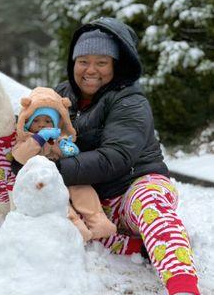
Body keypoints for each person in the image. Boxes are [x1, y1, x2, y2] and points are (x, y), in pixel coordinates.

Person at [54, 17, 200, 295]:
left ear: (115, 65)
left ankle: (183, 285)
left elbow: (117, 156)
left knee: (150, 204)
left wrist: (55, 169)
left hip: (136, 184)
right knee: (67, 224)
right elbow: (33, 121)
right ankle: (142, 246)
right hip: (95, 198)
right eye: (83, 60)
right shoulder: (61, 94)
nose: (90, 70)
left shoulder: (130, 99)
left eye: (101, 62)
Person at [11, 87, 117, 241]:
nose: (42, 125)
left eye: (48, 121)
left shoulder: (59, 137)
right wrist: (39, 139)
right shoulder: (25, 139)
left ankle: (98, 221)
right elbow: (20, 156)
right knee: (58, 200)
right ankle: (77, 228)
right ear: (27, 121)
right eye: (36, 120)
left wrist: (67, 148)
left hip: (64, 173)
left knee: (82, 187)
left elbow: (70, 152)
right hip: (45, 181)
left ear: (55, 123)